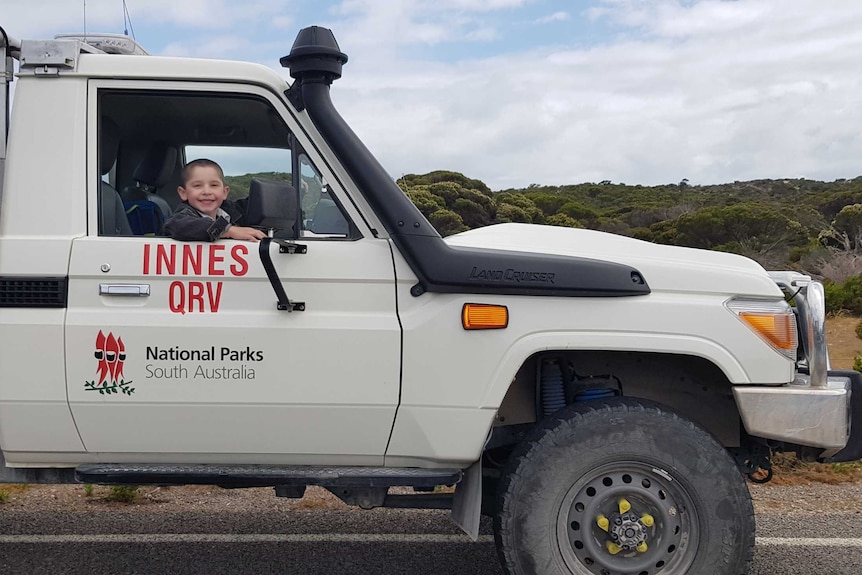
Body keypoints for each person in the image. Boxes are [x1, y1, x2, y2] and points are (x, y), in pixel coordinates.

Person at [164, 159, 266, 242]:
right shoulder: (182, 217)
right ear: (183, 193)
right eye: (197, 186)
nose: (207, 191)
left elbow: (256, 207)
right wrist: (228, 230)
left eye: (214, 185)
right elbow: (180, 226)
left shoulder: (231, 212)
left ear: (225, 192)